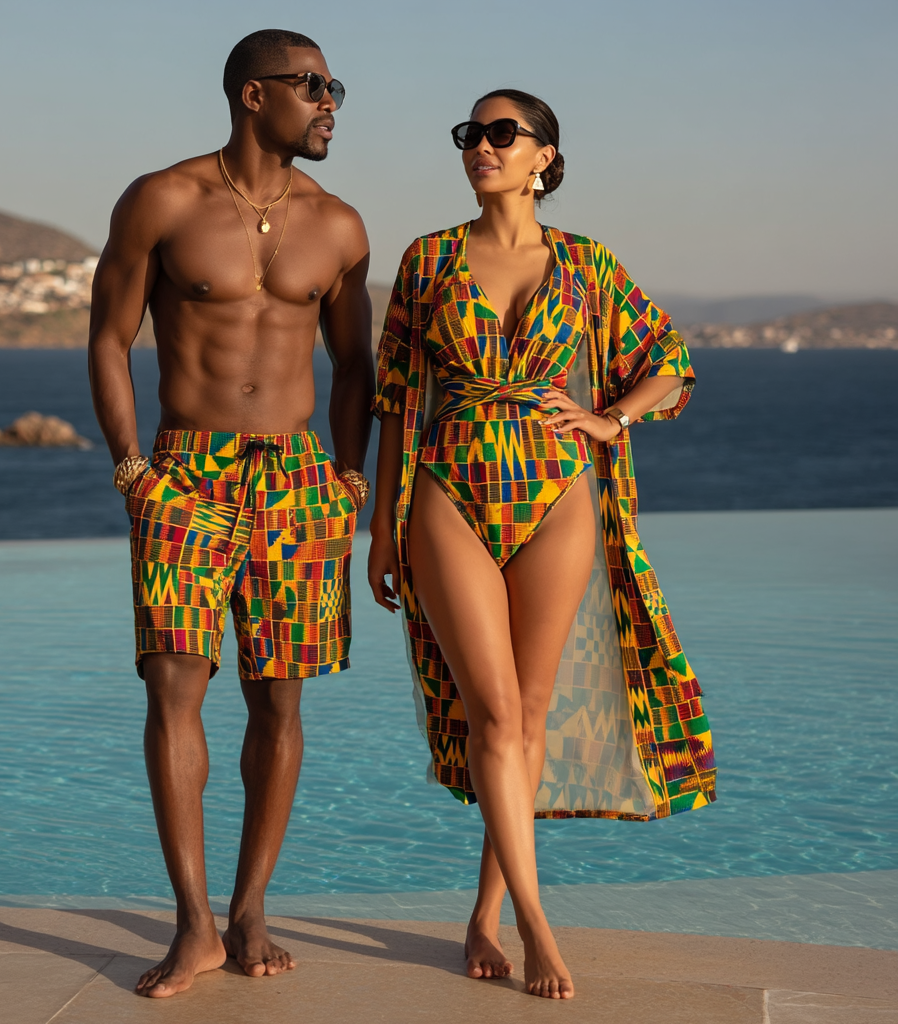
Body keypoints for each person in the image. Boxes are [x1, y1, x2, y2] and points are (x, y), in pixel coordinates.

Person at [367, 89, 716, 1000]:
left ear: (544, 158)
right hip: (450, 488)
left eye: (500, 133)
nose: (480, 147)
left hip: (558, 491)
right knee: (492, 713)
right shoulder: (428, 259)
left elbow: (670, 360)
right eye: (469, 134)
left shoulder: (585, 262)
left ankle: (485, 912)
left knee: (527, 712)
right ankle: (534, 922)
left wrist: (610, 419)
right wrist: (381, 531)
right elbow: (395, 400)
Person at [88, 28, 373, 998]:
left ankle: (250, 909)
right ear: (255, 95)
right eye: (312, 85)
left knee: (279, 700)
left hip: (298, 479)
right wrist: (133, 470)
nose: (329, 103)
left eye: (334, 88)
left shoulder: (339, 225)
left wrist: (349, 477)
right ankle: (194, 924)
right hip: (186, 473)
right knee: (172, 688)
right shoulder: (162, 200)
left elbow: (355, 366)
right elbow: (109, 335)